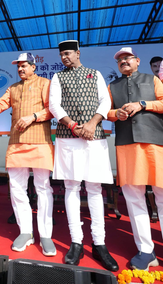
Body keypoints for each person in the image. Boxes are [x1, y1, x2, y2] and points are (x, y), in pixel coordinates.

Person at [0, 52, 56, 257]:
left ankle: (45, 235)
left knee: (43, 188)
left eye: (24, 66)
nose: (20, 69)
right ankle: (25, 231)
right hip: (17, 142)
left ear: (34, 67)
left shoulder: (46, 83)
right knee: (17, 188)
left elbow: (52, 110)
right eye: (18, 66)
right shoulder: (13, 87)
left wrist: (32, 117)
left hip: (40, 141)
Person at [49, 40, 118, 271]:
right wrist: (73, 125)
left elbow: (105, 101)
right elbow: (54, 106)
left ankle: (99, 244)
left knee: (95, 188)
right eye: (62, 55)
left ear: (78, 53)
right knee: (71, 187)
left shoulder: (95, 74)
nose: (65, 57)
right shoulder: (58, 78)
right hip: (68, 136)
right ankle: (76, 242)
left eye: (68, 53)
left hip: (94, 135)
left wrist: (91, 123)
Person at [107, 46, 163, 271]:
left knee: (161, 195)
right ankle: (146, 251)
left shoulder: (153, 80)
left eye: (127, 58)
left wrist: (142, 104)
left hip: (155, 143)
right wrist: (116, 114)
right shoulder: (113, 86)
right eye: (120, 60)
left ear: (138, 61)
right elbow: (105, 112)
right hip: (126, 145)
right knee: (134, 198)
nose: (123, 62)